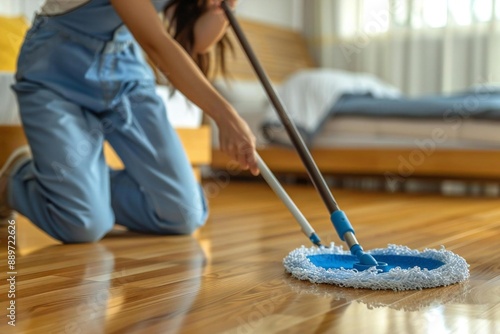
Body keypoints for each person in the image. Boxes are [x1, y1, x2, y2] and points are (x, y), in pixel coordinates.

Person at [0, 0, 259, 243]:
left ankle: (79, 187)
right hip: (56, 73)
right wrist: (225, 115)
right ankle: (16, 178)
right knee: (82, 224)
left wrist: (225, 8)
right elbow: (157, 43)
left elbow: (197, 42)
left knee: (184, 213)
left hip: (124, 75)